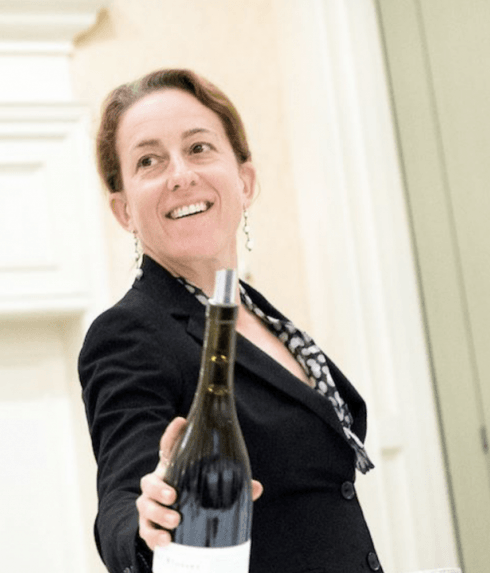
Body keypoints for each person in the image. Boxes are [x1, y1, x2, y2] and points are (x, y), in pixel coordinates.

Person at [78, 69, 382, 573]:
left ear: (245, 181)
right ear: (123, 210)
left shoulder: (262, 316)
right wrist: (146, 522)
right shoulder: (128, 334)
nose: (180, 175)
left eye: (198, 148)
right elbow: (122, 500)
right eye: (149, 161)